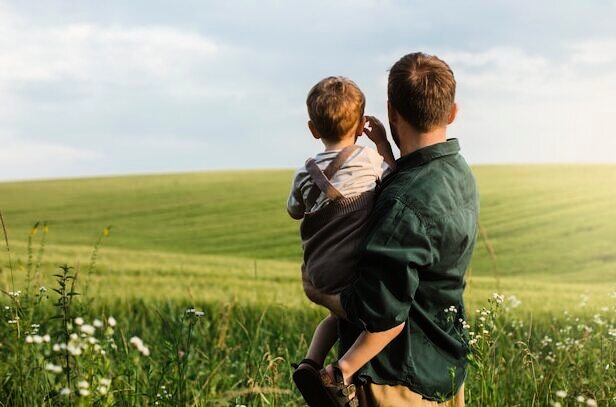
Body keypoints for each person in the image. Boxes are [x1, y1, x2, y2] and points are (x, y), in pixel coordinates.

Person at [303, 52, 479, 407]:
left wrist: (320, 295)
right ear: (453, 113)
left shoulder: (402, 203)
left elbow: (377, 311)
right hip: (444, 367)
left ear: (392, 112)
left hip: (397, 382)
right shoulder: (459, 174)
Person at [286, 76, 397, 406]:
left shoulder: (305, 172)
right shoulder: (369, 161)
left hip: (319, 270)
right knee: (387, 321)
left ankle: (310, 363)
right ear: (362, 125)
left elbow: (294, 211)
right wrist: (384, 146)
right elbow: (394, 179)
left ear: (312, 129)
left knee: (335, 318)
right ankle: (341, 373)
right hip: (352, 271)